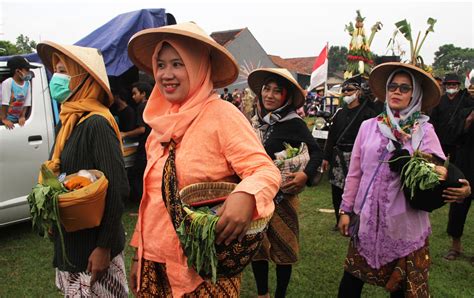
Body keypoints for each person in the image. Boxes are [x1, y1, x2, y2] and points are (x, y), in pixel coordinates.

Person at [126, 22, 281, 297]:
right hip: (155, 262)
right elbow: (150, 199)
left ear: (198, 66)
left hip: (203, 269)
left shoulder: (222, 115)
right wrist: (139, 255)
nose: (166, 74)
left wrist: (246, 195)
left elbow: (265, 171)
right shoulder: (159, 124)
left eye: (178, 64)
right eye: (160, 65)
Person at [337, 62, 471, 297]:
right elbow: (355, 173)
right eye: (392, 86)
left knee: (400, 290)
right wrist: (346, 210)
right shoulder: (369, 127)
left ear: (414, 94)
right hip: (367, 221)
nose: (397, 91)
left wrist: (461, 184)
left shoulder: (424, 130)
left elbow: (440, 170)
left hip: (404, 226)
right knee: (349, 287)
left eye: (404, 88)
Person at [36, 41, 129, 296]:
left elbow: (118, 188)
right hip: (72, 245)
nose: (57, 77)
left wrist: (104, 247)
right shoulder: (69, 120)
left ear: (84, 78)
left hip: (94, 251)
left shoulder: (96, 124)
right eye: (55, 70)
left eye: (64, 71)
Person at [248, 68, 323, 298]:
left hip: (283, 198)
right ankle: (263, 294)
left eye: (276, 92)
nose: (270, 95)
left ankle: (280, 294)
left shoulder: (294, 124)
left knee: (284, 247)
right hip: (257, 195)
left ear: (286, 97)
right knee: (257, 246)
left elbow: (316, 153)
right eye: (266, 89)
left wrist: (305, 175)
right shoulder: (254, 122)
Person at [321, 75, 376, 230]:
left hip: (358, 157)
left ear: (359, 92)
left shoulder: (368, 113)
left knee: (357, 189)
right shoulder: (339, 113)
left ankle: (356, 219)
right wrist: (326, 157)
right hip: (338, 157)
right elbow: (331, 137)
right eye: (343, 90)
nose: (346, 92)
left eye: (349, 89)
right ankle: (339, 220)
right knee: (337, 189)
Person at [429, 73, 474, 261]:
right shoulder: (466, 106)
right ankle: (455, 246)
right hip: (465, 159)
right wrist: (469, 120)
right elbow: (458, 131)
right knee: (458, 204)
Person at [121, 81, 152, 202]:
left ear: (143, 94)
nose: (133, 97)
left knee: (136, 175)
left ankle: (141, 203)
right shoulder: (153, 105)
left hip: (144, 147)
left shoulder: (141, 107)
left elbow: (141, 129)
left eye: (135, 93)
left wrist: (125, 134)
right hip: (152, 145)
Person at [1, 56, 38, 129]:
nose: (29, 72)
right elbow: (4, 103)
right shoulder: (8, 82)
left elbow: (27, 102)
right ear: (18, 71)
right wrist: (4, 119)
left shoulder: (27, 83)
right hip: (6, 118)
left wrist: (22, 116)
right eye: (27, 69)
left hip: (17, 119)